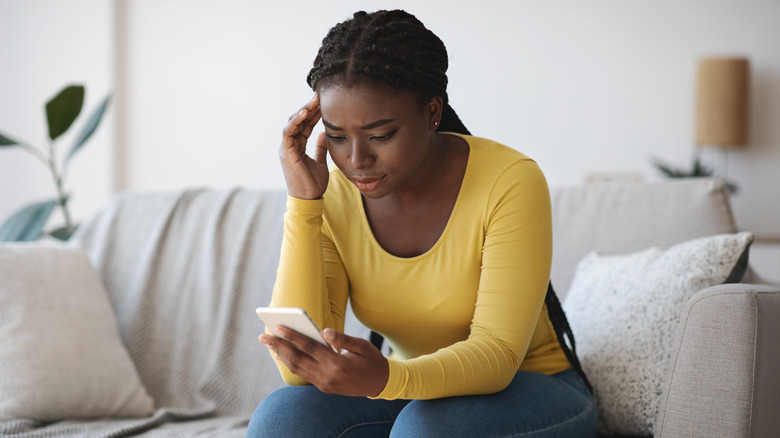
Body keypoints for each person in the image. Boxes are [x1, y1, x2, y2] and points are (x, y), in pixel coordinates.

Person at [247, 9, 597, 437]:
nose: (357, 160)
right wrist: (305, 203)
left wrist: (389, 379)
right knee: (283, 415)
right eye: (337, 136)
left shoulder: (510, 180)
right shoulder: (334, 196)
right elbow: (299, 373)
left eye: (380, 135)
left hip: (535, 391)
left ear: (432, 112)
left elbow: (498, 355)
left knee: (423, 430)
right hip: (414, 396)